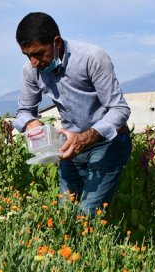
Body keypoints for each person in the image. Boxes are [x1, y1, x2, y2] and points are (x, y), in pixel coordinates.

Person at [13, 12, 131, 216]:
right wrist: (31, 123)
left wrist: (85, 138)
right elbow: (24, 111)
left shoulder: (91, 58)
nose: (34, 62)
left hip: (107, 143)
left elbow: (119, 109)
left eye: (39, 54)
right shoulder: (31, 69)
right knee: (65, 214)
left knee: (88, 215)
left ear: (56, 42)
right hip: (70, 145)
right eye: (28, 56)